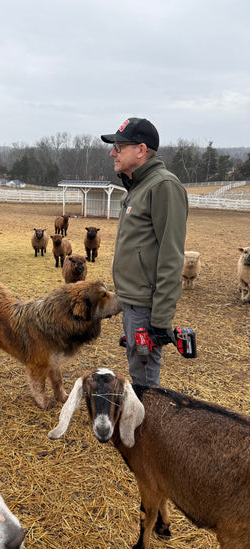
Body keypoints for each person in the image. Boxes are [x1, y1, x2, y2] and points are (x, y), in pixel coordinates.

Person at [101, 117, 188, 387]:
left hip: (146, 305)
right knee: (136, 367)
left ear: (140, 150)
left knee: (145, 378)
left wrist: (161, 317)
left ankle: (147, 425)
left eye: (119, 147)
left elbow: (171, 255)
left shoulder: (163, 186)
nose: (112, 153)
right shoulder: (138, 187)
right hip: (132, 300)